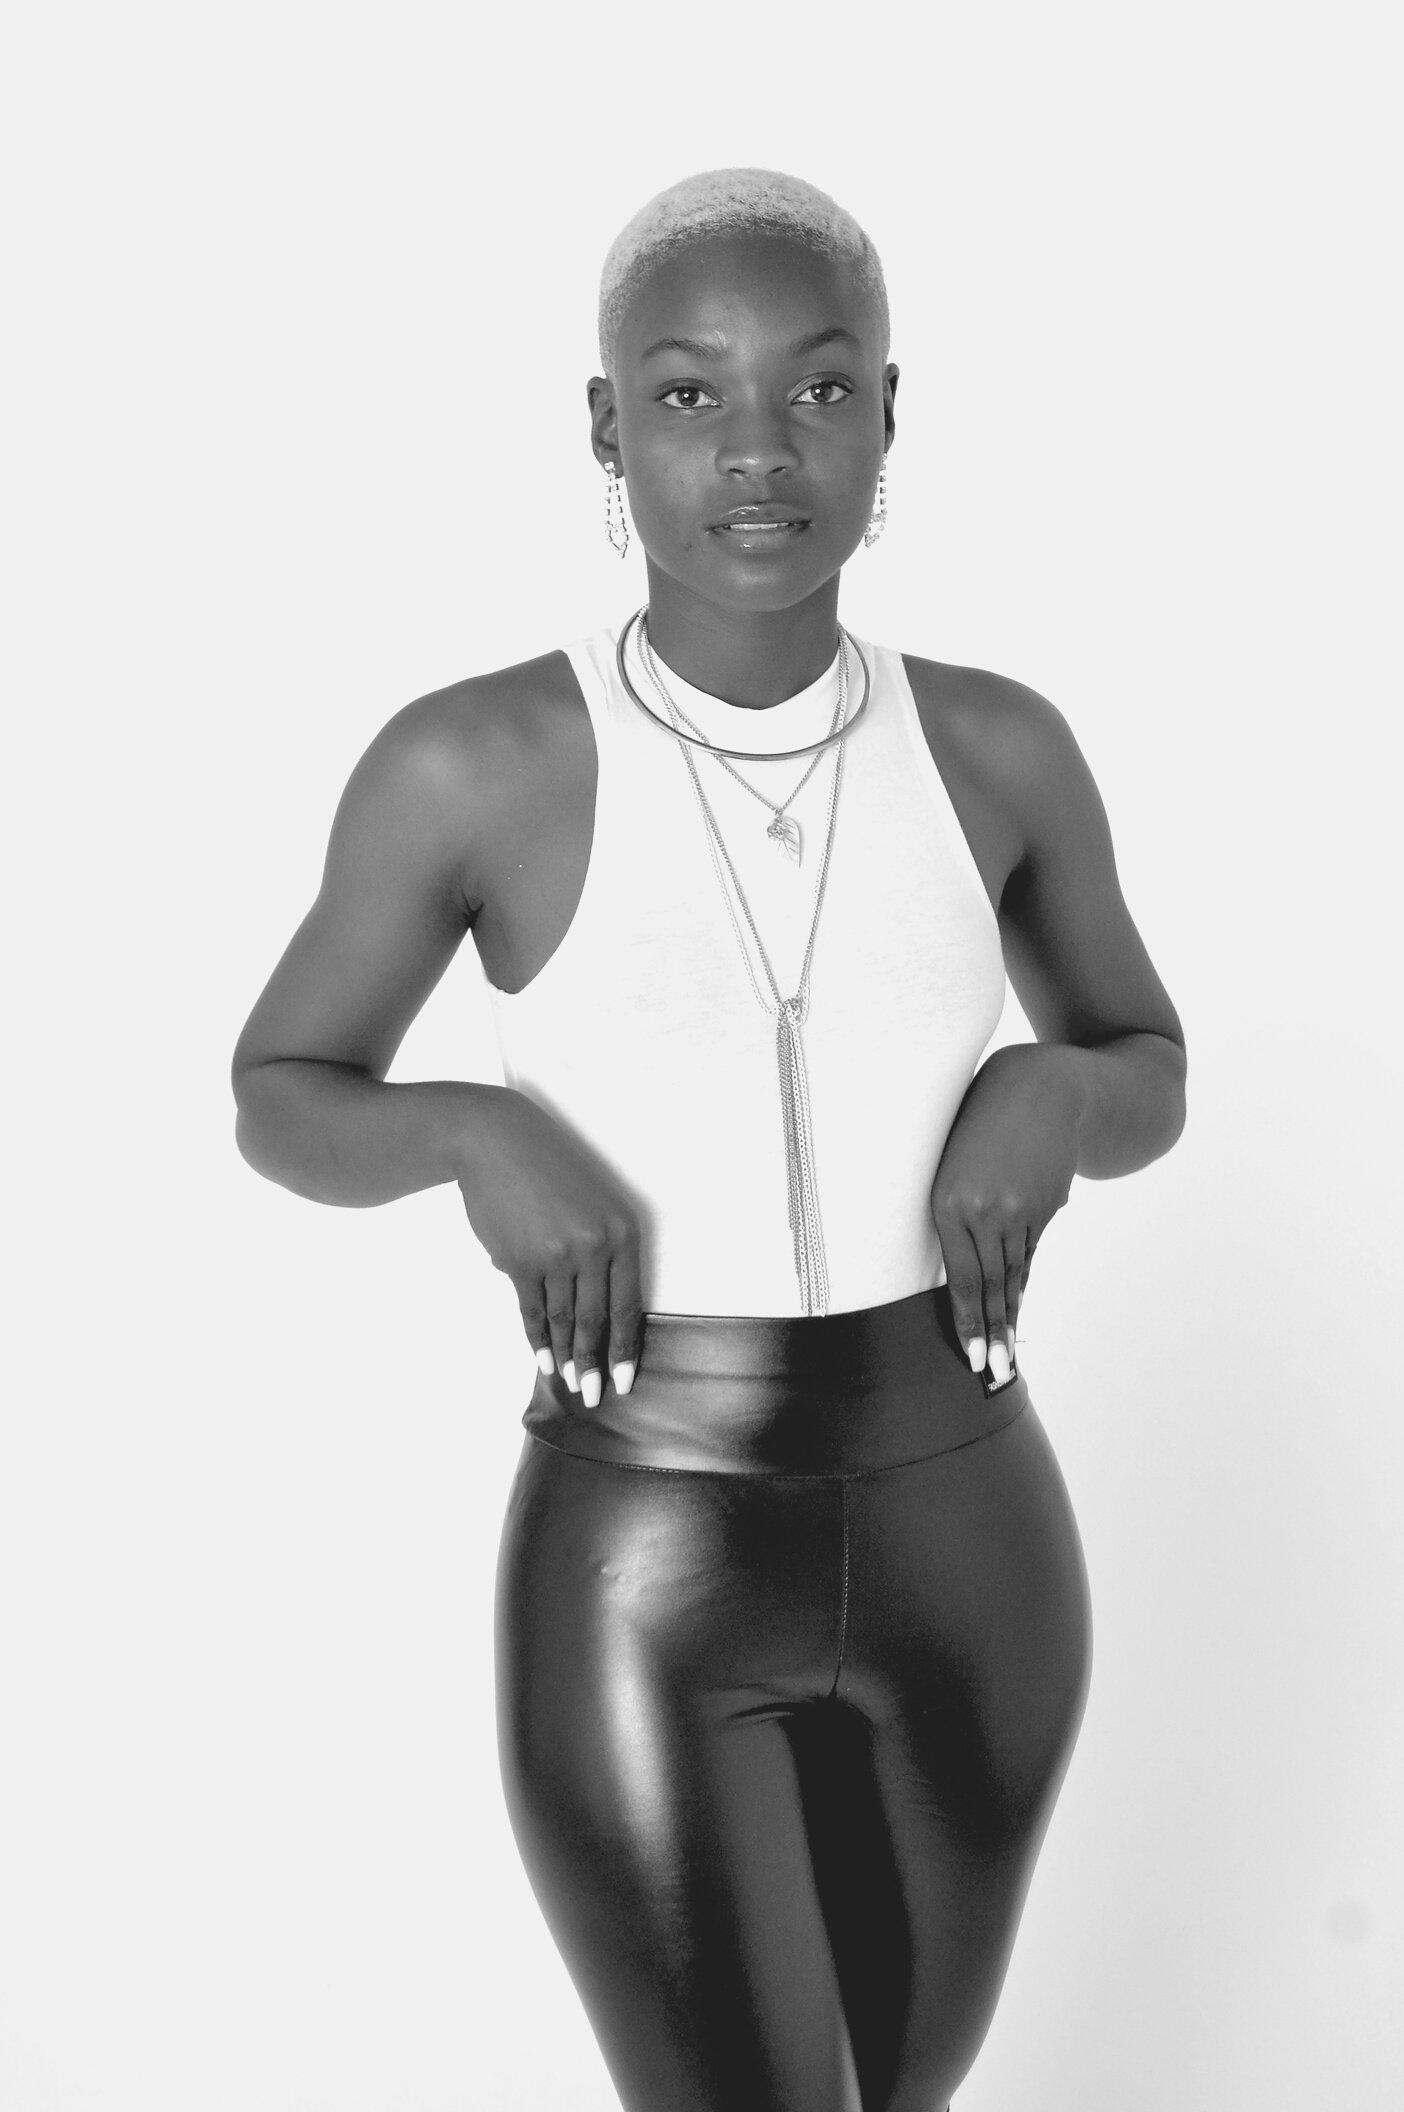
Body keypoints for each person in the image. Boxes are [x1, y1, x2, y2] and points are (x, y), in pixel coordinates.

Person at [231, 166, 1187, 2112]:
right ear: (606, 427)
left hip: (969, 1530)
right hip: (646, 1554)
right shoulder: (476, 763)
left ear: (890, 415)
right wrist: (471, 1135)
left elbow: (1144, 1060)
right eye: (687, 394)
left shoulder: (998, 750)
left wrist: (1060, 1093)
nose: (758, 450)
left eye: (819, 389)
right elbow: (282, 1093)